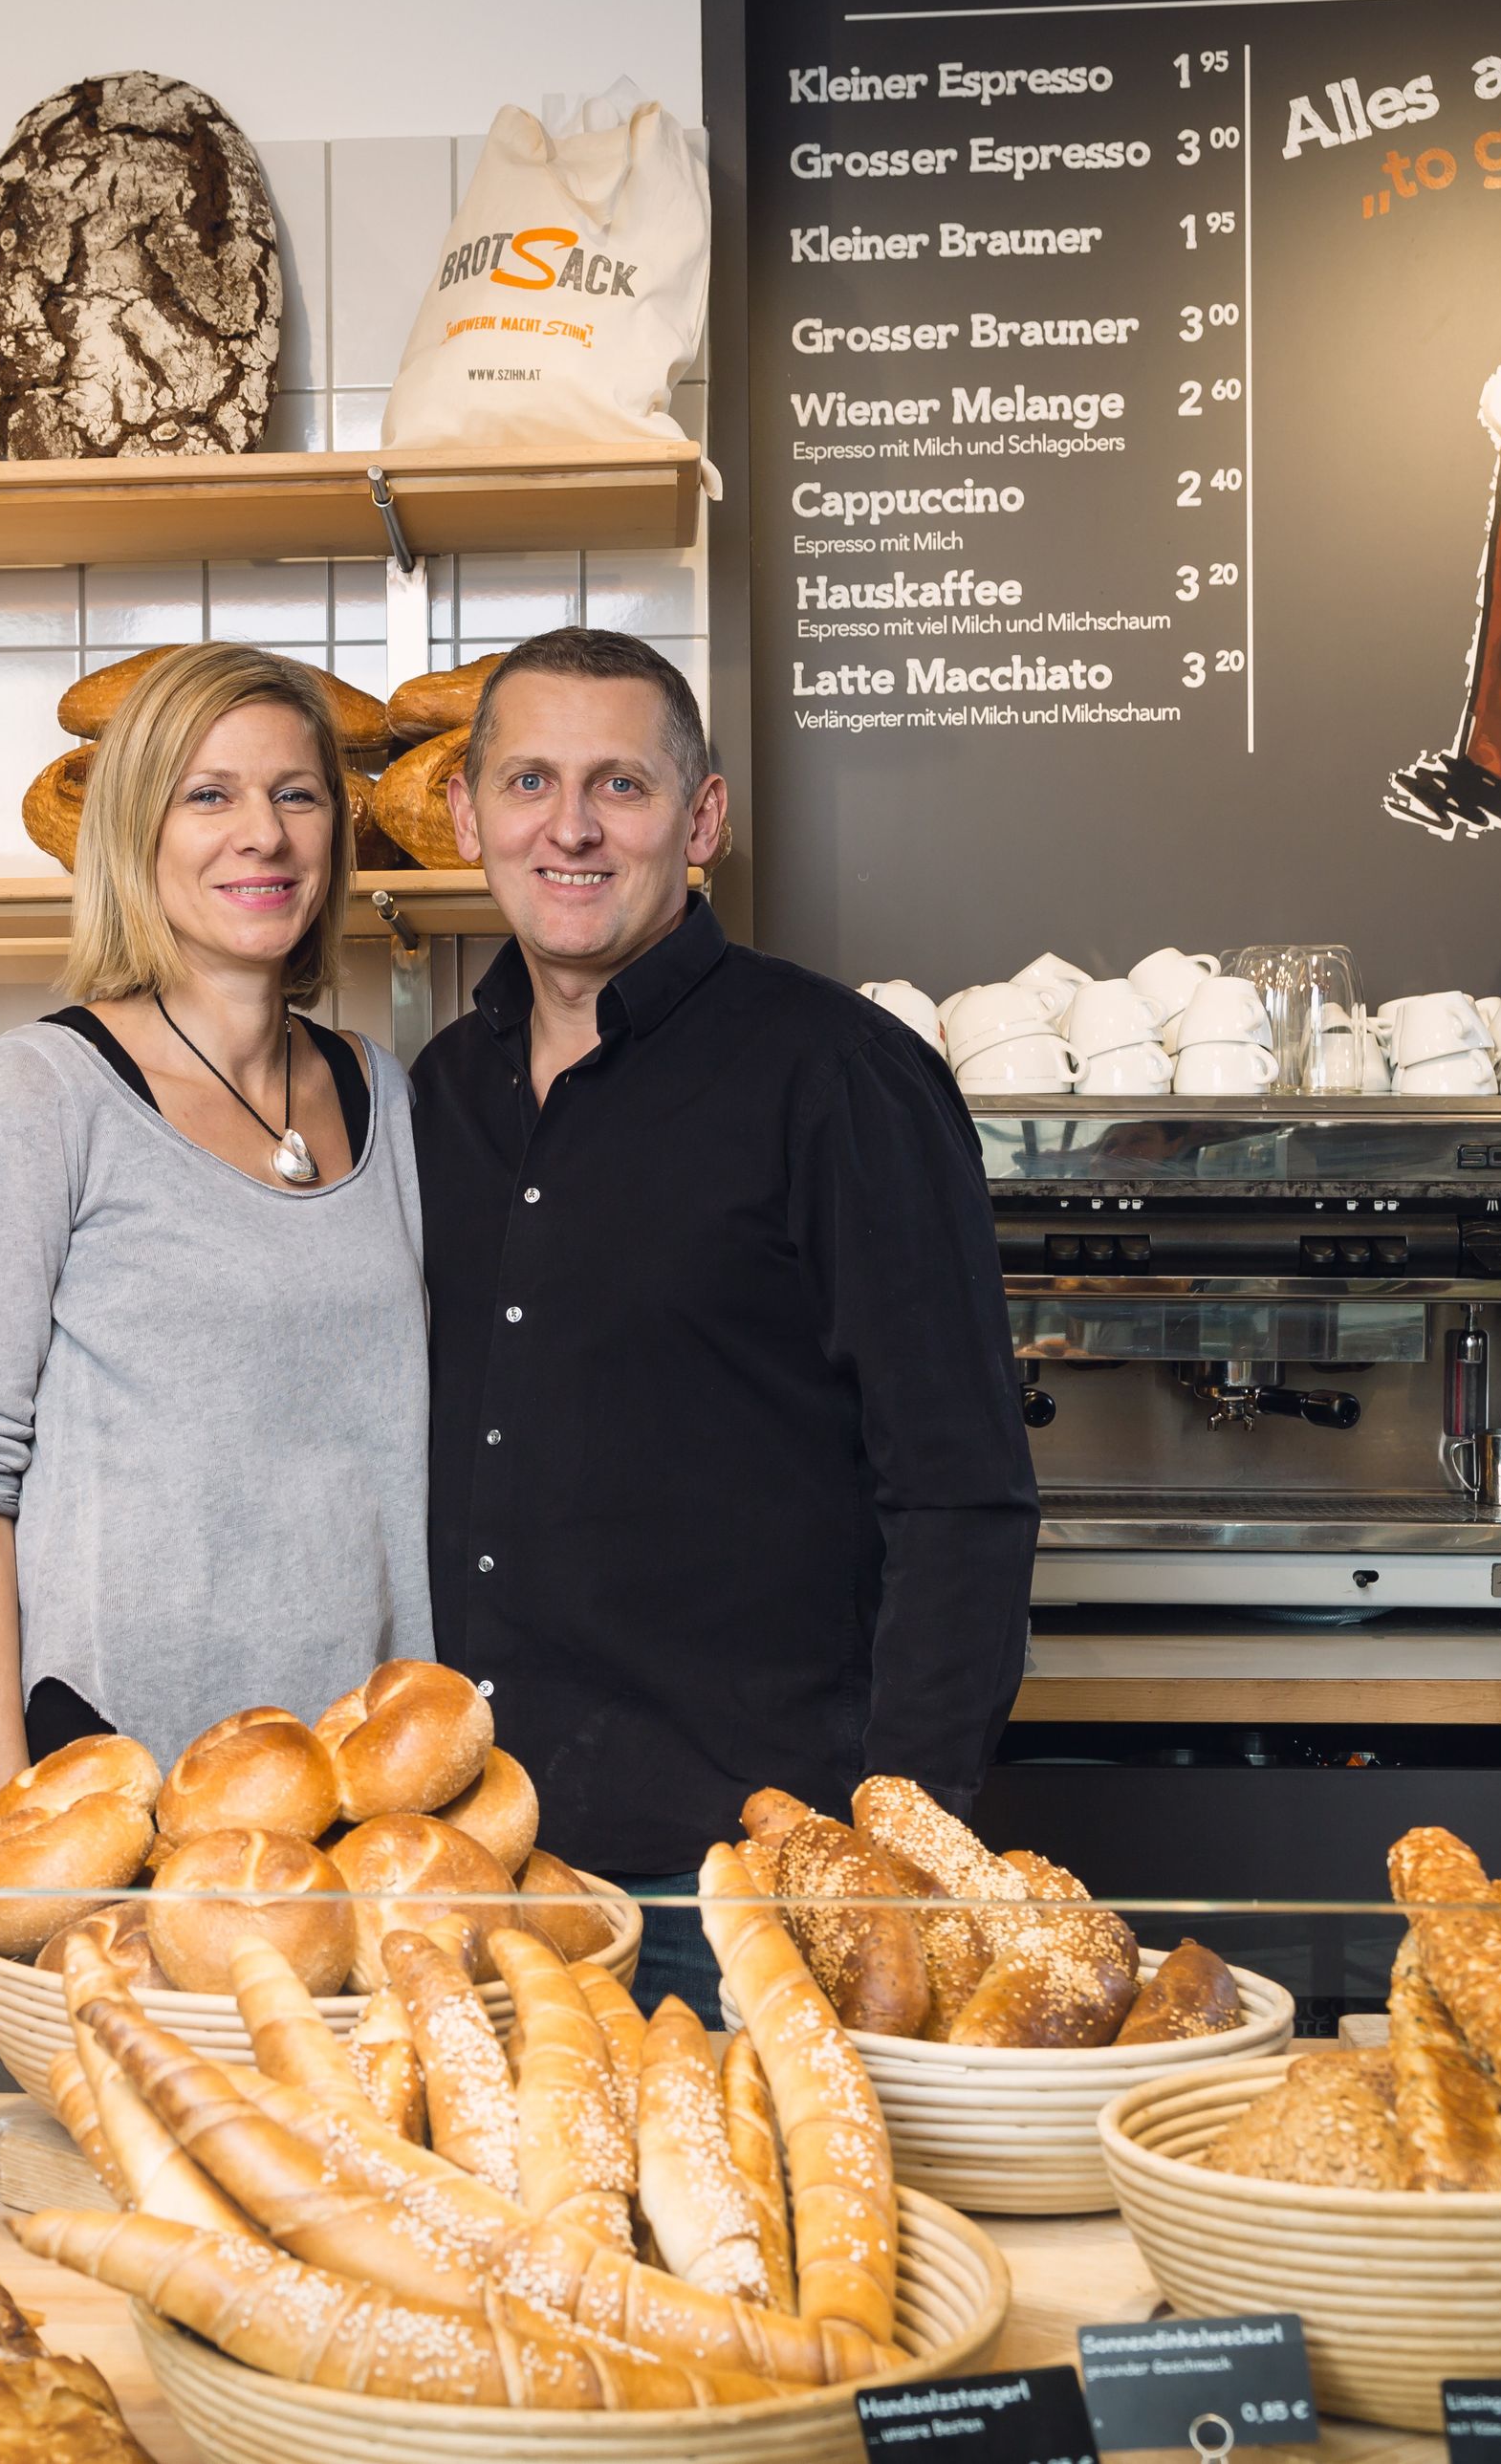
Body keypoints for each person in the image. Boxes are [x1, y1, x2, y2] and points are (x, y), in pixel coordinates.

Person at [411, 626, 1038, 2015]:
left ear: (702, 817)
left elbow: (961, 1492)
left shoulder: (839, 1077)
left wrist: (890, 1849)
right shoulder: (437, 1097)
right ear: (467, 816)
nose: (568, 825)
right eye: (526, 781)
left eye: (619, 785)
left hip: (743, 1879)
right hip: (486, 1866)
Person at [0, 643, 431, 1829]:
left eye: (296, 794)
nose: (264, 834)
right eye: (210, 795)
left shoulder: (384, 1096)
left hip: (365, 1769)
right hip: (124, 1769)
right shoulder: (41, 1092)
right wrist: (10, 1820)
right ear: (137, 833)